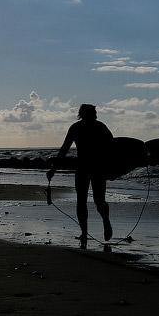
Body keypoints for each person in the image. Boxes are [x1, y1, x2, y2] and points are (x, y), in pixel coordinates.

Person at [49, 104, 113, 244]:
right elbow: (112, 148)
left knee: (84, 201)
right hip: (96, 168)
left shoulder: (77, 128)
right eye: (92, 112)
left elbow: (64, 150)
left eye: (93, 112)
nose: (94, 114)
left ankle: (85, 233)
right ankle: (102, 222)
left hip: (87, 168)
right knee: (97, 200)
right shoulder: (99, 127)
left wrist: (53, 169)